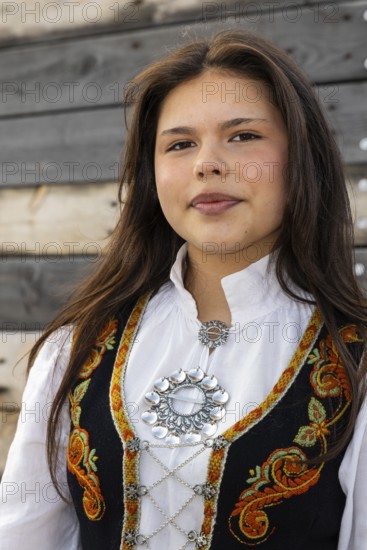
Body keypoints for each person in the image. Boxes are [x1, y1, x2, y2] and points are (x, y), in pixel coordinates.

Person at [0, 28, 366, 550]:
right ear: (153, 175)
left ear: (299, 159)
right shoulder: (75, 349)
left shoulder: (357, 362)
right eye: (180, 144)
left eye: (243, 136)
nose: (207, 163)